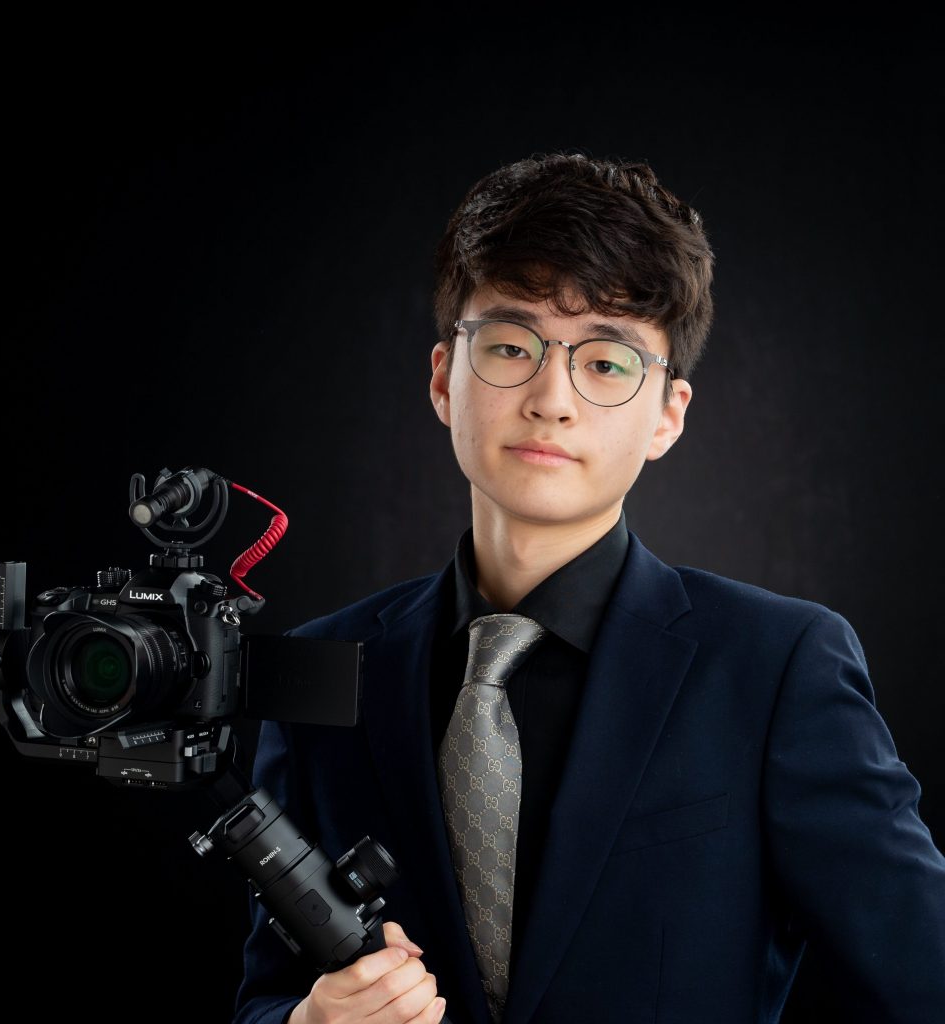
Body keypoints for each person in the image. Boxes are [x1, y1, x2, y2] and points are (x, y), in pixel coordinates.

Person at [231, 153, 945, 1024]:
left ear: (669, 414)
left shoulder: (777, 665)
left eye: (607, 363)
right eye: (510, 346)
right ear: (443, 379)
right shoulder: (324, 666)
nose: (551, 399)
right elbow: (267, 993)